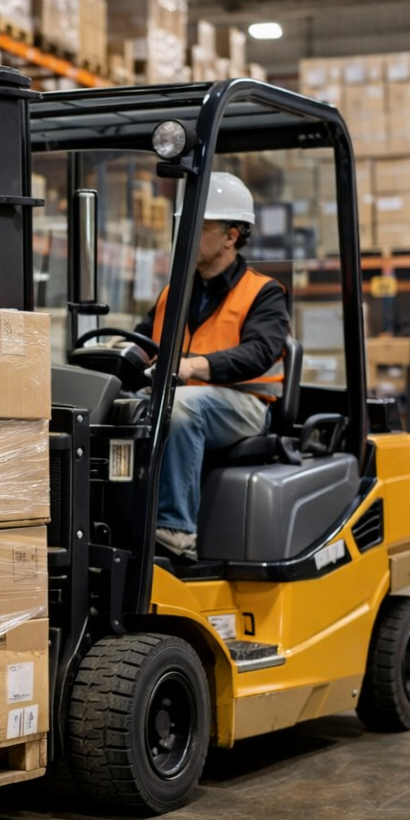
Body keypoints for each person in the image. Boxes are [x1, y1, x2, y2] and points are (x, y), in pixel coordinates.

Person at [135, 171, 289, 561]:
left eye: (200, 228)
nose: (187, 236)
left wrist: (194, 367)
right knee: (122, 407)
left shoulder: (264, 292)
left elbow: (259, 352)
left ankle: (176, 529)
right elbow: (143, 341)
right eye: (185, 226)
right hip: (186, 396)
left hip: (245, 405)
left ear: (230, 236)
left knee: (181, 408)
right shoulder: (174, 292)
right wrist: (116, 353)